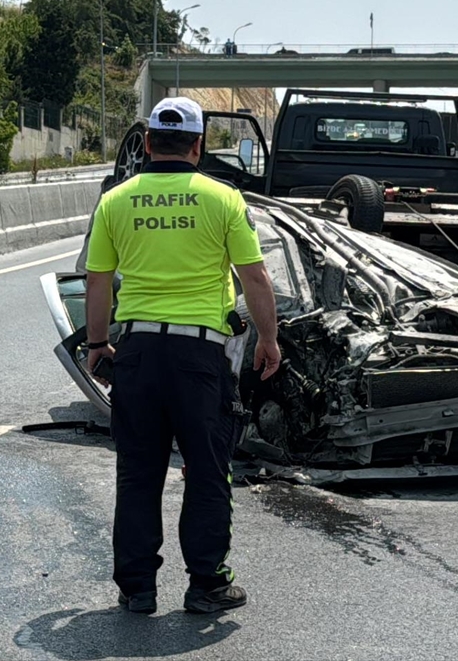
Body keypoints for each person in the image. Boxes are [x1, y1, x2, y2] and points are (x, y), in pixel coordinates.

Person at [85, 96, 281, 615]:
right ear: (198, 146)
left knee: (138, 473)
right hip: (200, 357)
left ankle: (137, 589)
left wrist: (98, 344)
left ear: (149, 142)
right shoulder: (224, 198)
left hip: (138, 353)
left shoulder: (116, 201)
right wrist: (268, 339)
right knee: (207, 470)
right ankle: (207, 585)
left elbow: (98, 280)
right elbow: (254, 275)